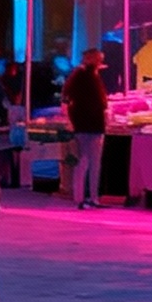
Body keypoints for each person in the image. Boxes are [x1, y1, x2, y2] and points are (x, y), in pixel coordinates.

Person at [64, 48, 109, 208]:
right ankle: (87, 197)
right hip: (90, 123)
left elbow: (67, 96)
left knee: (86, 161)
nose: (100, 63)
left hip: (84, 123)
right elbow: (99, 101)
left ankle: (85, 197)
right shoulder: (86, 76)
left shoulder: (81, 75)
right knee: (89, 161)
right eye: (98, 59)